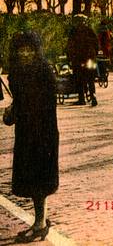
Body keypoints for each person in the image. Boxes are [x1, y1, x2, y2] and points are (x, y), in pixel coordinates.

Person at [8, 30, 59, 242]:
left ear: (36, 50)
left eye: (29, 49)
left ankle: (39, 223)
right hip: (28, 132)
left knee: (38, 180)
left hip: (41, 133)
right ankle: (41, 220)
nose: (25, 53)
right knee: (34, 179)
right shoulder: (22, 70)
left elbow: (37, 104)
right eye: (22, 50)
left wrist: (15, 112)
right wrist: (14, 109)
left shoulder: (41, 71)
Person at [67, 14, 98, 106]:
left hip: (78, 58)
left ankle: (81, 98)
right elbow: (96, 44)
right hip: (90, 58)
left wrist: (70, 57)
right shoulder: (90, 31)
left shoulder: (74, 32)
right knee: (90, 78)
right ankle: (92, 96)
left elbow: (70, 45)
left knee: (79, 78)